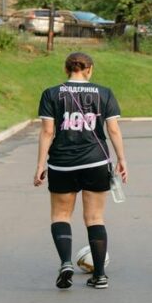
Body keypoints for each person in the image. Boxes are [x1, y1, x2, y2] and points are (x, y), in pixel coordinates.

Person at [34, 52, 127, 290]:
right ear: (89, 69)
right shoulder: (104, 93)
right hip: (96, 162)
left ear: (66, 70)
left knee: (61, 215)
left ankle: (65, 263)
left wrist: (40, 165)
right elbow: (113, 130)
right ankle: (100, 276)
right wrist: (122, 159)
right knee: (95, 218)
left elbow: (47, 132)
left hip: (62, 163)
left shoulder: (51, 93)